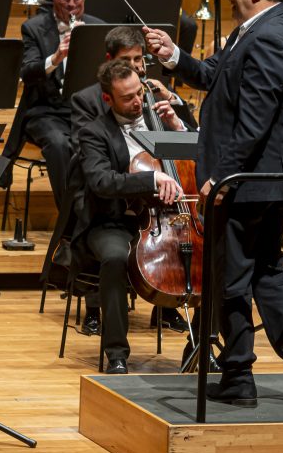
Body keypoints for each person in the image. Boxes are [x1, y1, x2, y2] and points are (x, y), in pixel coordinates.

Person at [146, 0, 283, 407]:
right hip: (260, 179)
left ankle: (239, 377)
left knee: (232, 278)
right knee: (268, 272)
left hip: (247, 181)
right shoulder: (258, 31)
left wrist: (220, 177)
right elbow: (215, 76)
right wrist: (174, 56)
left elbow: (256, 118)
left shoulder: (271, 35)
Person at [67, 26, 195, 337]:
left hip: (162, 217)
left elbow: (196, 155)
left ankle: (199, 345)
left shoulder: (155, 110)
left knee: (210, 251)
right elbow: (100, 179)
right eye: (129, 98)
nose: (139, 102)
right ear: (107, 99)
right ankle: (116, 351)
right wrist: (151, 178)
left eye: (139, 93)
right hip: (112, 218)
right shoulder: (95, 128)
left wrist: (176, 123)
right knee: (113, 257)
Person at [2, 0, 103, 207]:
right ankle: (68, 220)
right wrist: (57, 56)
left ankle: (98, 212)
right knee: (59, 144)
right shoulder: (33, 28)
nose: (71, 4)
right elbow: (27, 73)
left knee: (105, 140)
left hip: (86, 111)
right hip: (45, 111)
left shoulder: (97, 27)